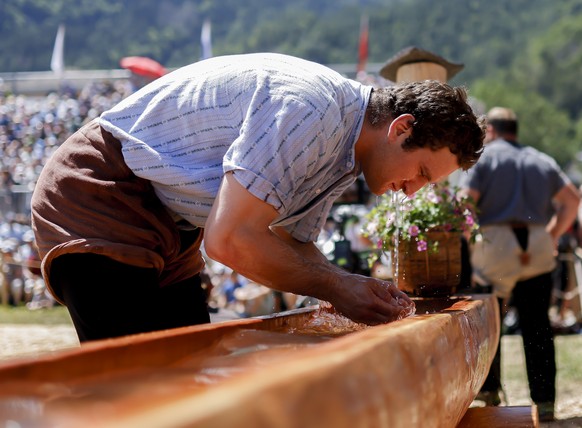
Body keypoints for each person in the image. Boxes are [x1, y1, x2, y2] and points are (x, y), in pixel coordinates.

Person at [31, 52, 484, 342]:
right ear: (400, 128)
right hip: (103, 191)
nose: (412, 190)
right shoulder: (312, 110)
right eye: (421, 173)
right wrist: (336, 285)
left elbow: (292, 244)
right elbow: (231, 240)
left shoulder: (347, 149)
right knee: (135, 387)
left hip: (168, 219)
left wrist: (353, 287)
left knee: (189, 372)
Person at [460, 107, 580, 422]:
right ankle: (545, 404)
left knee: (490, 327)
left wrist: (471, 240)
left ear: (492, 131)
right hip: (538, 244)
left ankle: (490, 395)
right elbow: (572, 200)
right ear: (515, 129)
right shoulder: (541, 159)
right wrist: (552, 234)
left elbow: (466, 204)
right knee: (538, 326)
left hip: (495, 246)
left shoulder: (484, 159)